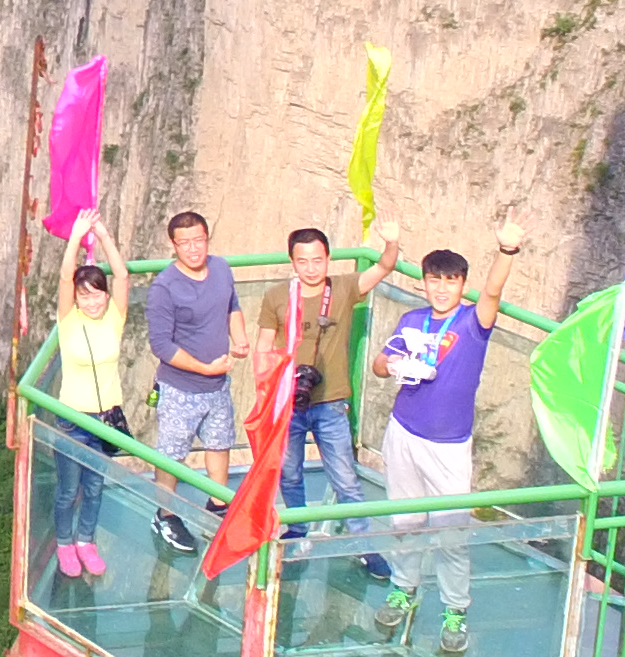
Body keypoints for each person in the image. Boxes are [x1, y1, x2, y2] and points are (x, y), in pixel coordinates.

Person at [373, 223, 526, 656]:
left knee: (451, 531)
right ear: (424, 283)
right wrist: (395, 367)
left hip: (449, 444)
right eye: (434, 280)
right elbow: (380, 365)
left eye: (451, 281)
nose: (442, 289)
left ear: (462, 284)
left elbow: (493, 294)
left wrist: (507, 249)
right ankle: (404, 588)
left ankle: (455, 609)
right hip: (403, 430)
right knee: (404, 522)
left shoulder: (472, 321)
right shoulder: (411, 319)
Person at [249, 225, 392, 522]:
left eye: (317, 260)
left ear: (328, 259)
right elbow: (263, 345)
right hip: (288, 401)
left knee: (346, 480)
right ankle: (297, 529)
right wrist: (266, 393)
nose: (311, 268)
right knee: (289, 474)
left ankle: (362, 542)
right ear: (292, 262)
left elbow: (384, 267)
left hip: (332, 401)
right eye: (303, 261)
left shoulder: (343, 288)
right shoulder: (277, 296)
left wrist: (391, 241)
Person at [144, 210, 241, 555]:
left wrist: (239, 339)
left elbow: (232, 303)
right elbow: (162, 345)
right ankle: (166, 514)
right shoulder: (164, 288)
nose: (193, 249)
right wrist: (205, 368)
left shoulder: (222, 269)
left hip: (218, 386)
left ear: (207, 239)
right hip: (179, 389)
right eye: (185, 243)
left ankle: (220, 505)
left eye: (198, 240)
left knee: (220, 443)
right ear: (173, 246)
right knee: (171, 455)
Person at [45, 209, 134, 580]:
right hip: (72, 419)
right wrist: (75, 238)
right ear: (77, 300)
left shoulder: (114, 318)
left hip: (105, 420)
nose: (93, 301)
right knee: (69, 490)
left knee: (95, 487)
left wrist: (104, 236)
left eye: (98, 294)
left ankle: (86, 542)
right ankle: (64, 544)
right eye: (86, 296)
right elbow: (66, 278)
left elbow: (124, 275)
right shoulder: (69, 322)